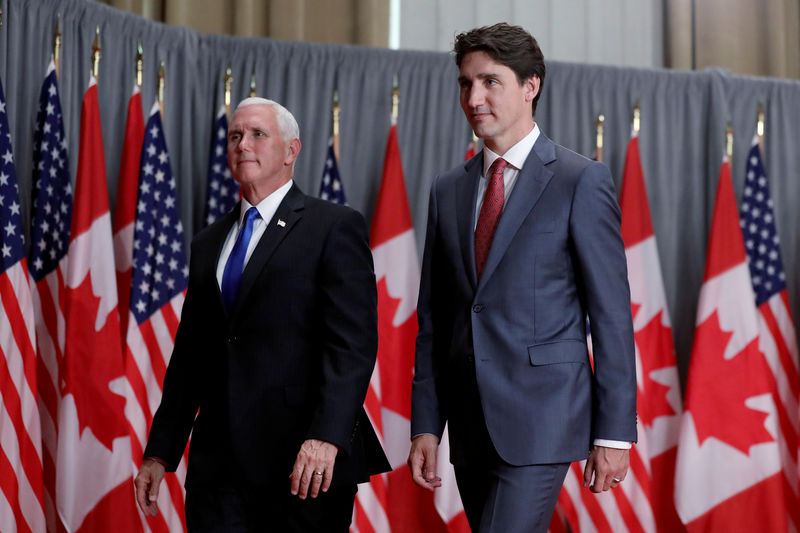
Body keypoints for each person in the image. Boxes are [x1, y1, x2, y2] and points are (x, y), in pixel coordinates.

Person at [407, 23, 637, 533]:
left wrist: (615, 434)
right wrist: (426, 423)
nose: (474, 97)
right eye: (466, 83)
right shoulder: (448, 190)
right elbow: (435, 319)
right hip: (468, 425)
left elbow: (612, 315)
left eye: (490, 82)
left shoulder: (581, 180)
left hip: (543, 420)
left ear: (530, 86)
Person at [134, 97, 389, 532]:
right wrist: (160, 451)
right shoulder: (208, 242)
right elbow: (191, 355)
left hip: (303, 465)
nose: (242, 144)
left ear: (292, 151)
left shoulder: (333, 226)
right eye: (235, 136)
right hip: (218, 469)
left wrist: (327, 436)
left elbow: (352, 346)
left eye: (257, 134)